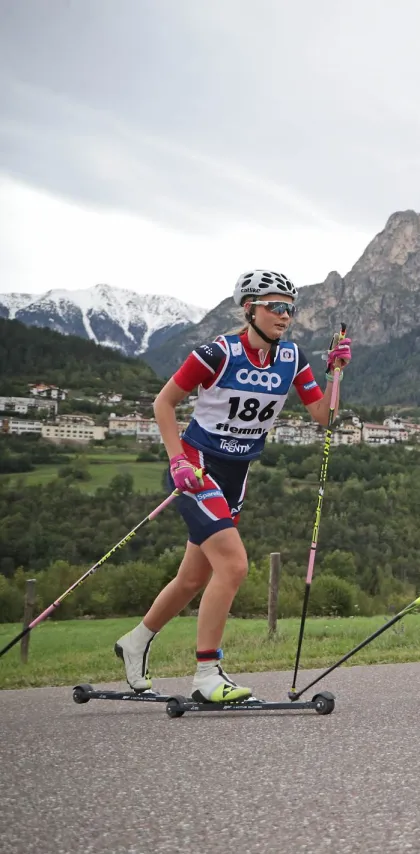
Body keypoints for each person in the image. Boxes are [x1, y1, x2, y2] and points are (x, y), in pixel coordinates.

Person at [113, 270, 352, 703]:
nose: (285, 315)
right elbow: (163, 403)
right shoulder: (216, 352)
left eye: (289, 308)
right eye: (275, 306)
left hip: (236, 473)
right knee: (234, 565)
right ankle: (206, 674)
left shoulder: (292, 359)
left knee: (192, 578)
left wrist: (336, 374)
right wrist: (178, 460)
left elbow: (325, 417)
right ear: (249, 310)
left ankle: (135, 642)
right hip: (198, 468)